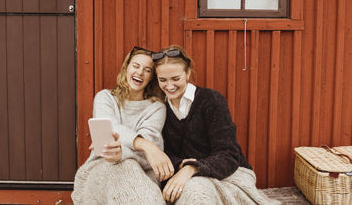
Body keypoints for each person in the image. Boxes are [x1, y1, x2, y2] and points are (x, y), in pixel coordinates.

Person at [152, 45, 281, 205]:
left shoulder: (211, 100)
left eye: (176, 79)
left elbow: (229, 154)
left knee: (196, 195)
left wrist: (192, 168)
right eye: (162, 80)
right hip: (184, 176)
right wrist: (181, 166)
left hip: (229, 172)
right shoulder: (158, 107)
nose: (169, 86)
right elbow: (163, 152)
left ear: (188, 74)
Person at [72, 46, 174, 205]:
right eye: (136, 66)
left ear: (151, 77)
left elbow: (149, 160)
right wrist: (145, 145)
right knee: (123, 167)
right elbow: (111, 128)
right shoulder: (105, 98)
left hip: (141, 174)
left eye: (147, 70)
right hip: (102, 166)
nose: (140, 72)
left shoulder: (156, 107)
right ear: (126, 68)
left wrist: (122, 153)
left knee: (129, 166)